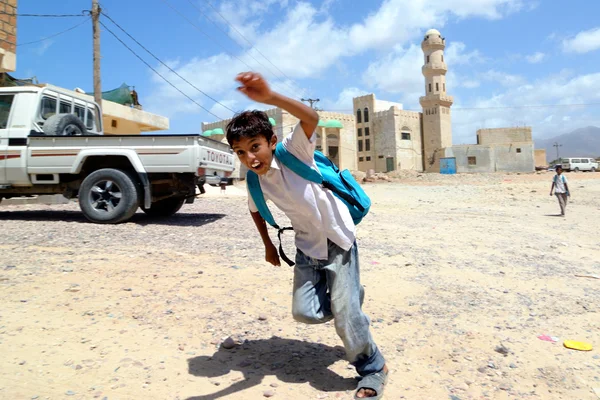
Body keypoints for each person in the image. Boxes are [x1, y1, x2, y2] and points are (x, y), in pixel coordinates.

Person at [226, 72, 388, 399]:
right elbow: (255, 210)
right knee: (305, 312)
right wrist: (268, 246)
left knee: (345, 316)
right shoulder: (256, 181)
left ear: (271, 141)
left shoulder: (293, 151)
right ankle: (350, 302)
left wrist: (269, 97)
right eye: (241, 152)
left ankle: (373, 366)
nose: (250, 158)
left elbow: (312, 117)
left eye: (254, 146)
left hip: (337, 238)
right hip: (306, 247)